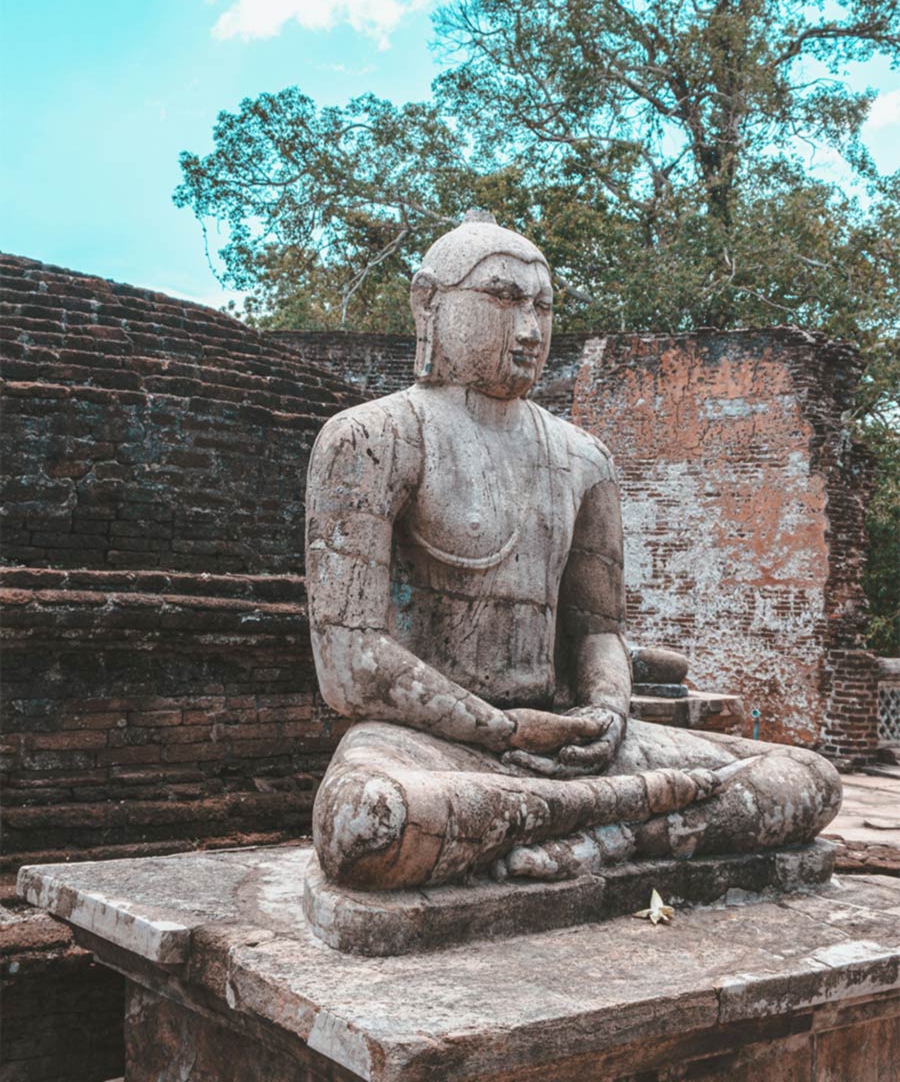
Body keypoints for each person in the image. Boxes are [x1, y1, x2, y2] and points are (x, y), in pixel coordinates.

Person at [305, 213, 841, 891]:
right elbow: (351, 662)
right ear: (427, 302)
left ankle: (606, 835)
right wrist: (502, 730)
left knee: (808, 781)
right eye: (502, 300)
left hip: (569, 746)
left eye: (543, 306)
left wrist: (607, 711)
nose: (528, 330)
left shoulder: (583, 457)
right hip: (435, 743)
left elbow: (597, 630)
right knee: (368, 823)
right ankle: (626, 822)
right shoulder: (374, 438)